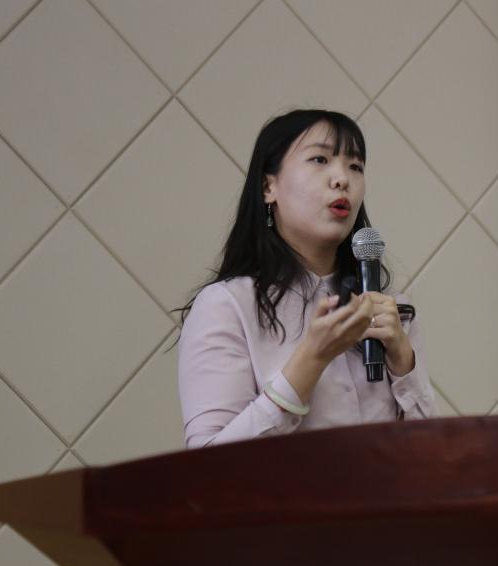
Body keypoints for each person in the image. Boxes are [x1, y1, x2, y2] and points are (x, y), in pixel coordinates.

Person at [176, 109, 435, 449]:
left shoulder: (390, 308)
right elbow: (207, 466)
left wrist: (403, 361)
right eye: (320, 159)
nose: (342, 179)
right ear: (268, 187)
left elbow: (430, 456)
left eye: (355, 166)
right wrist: (312, 358)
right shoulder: (226, 305)